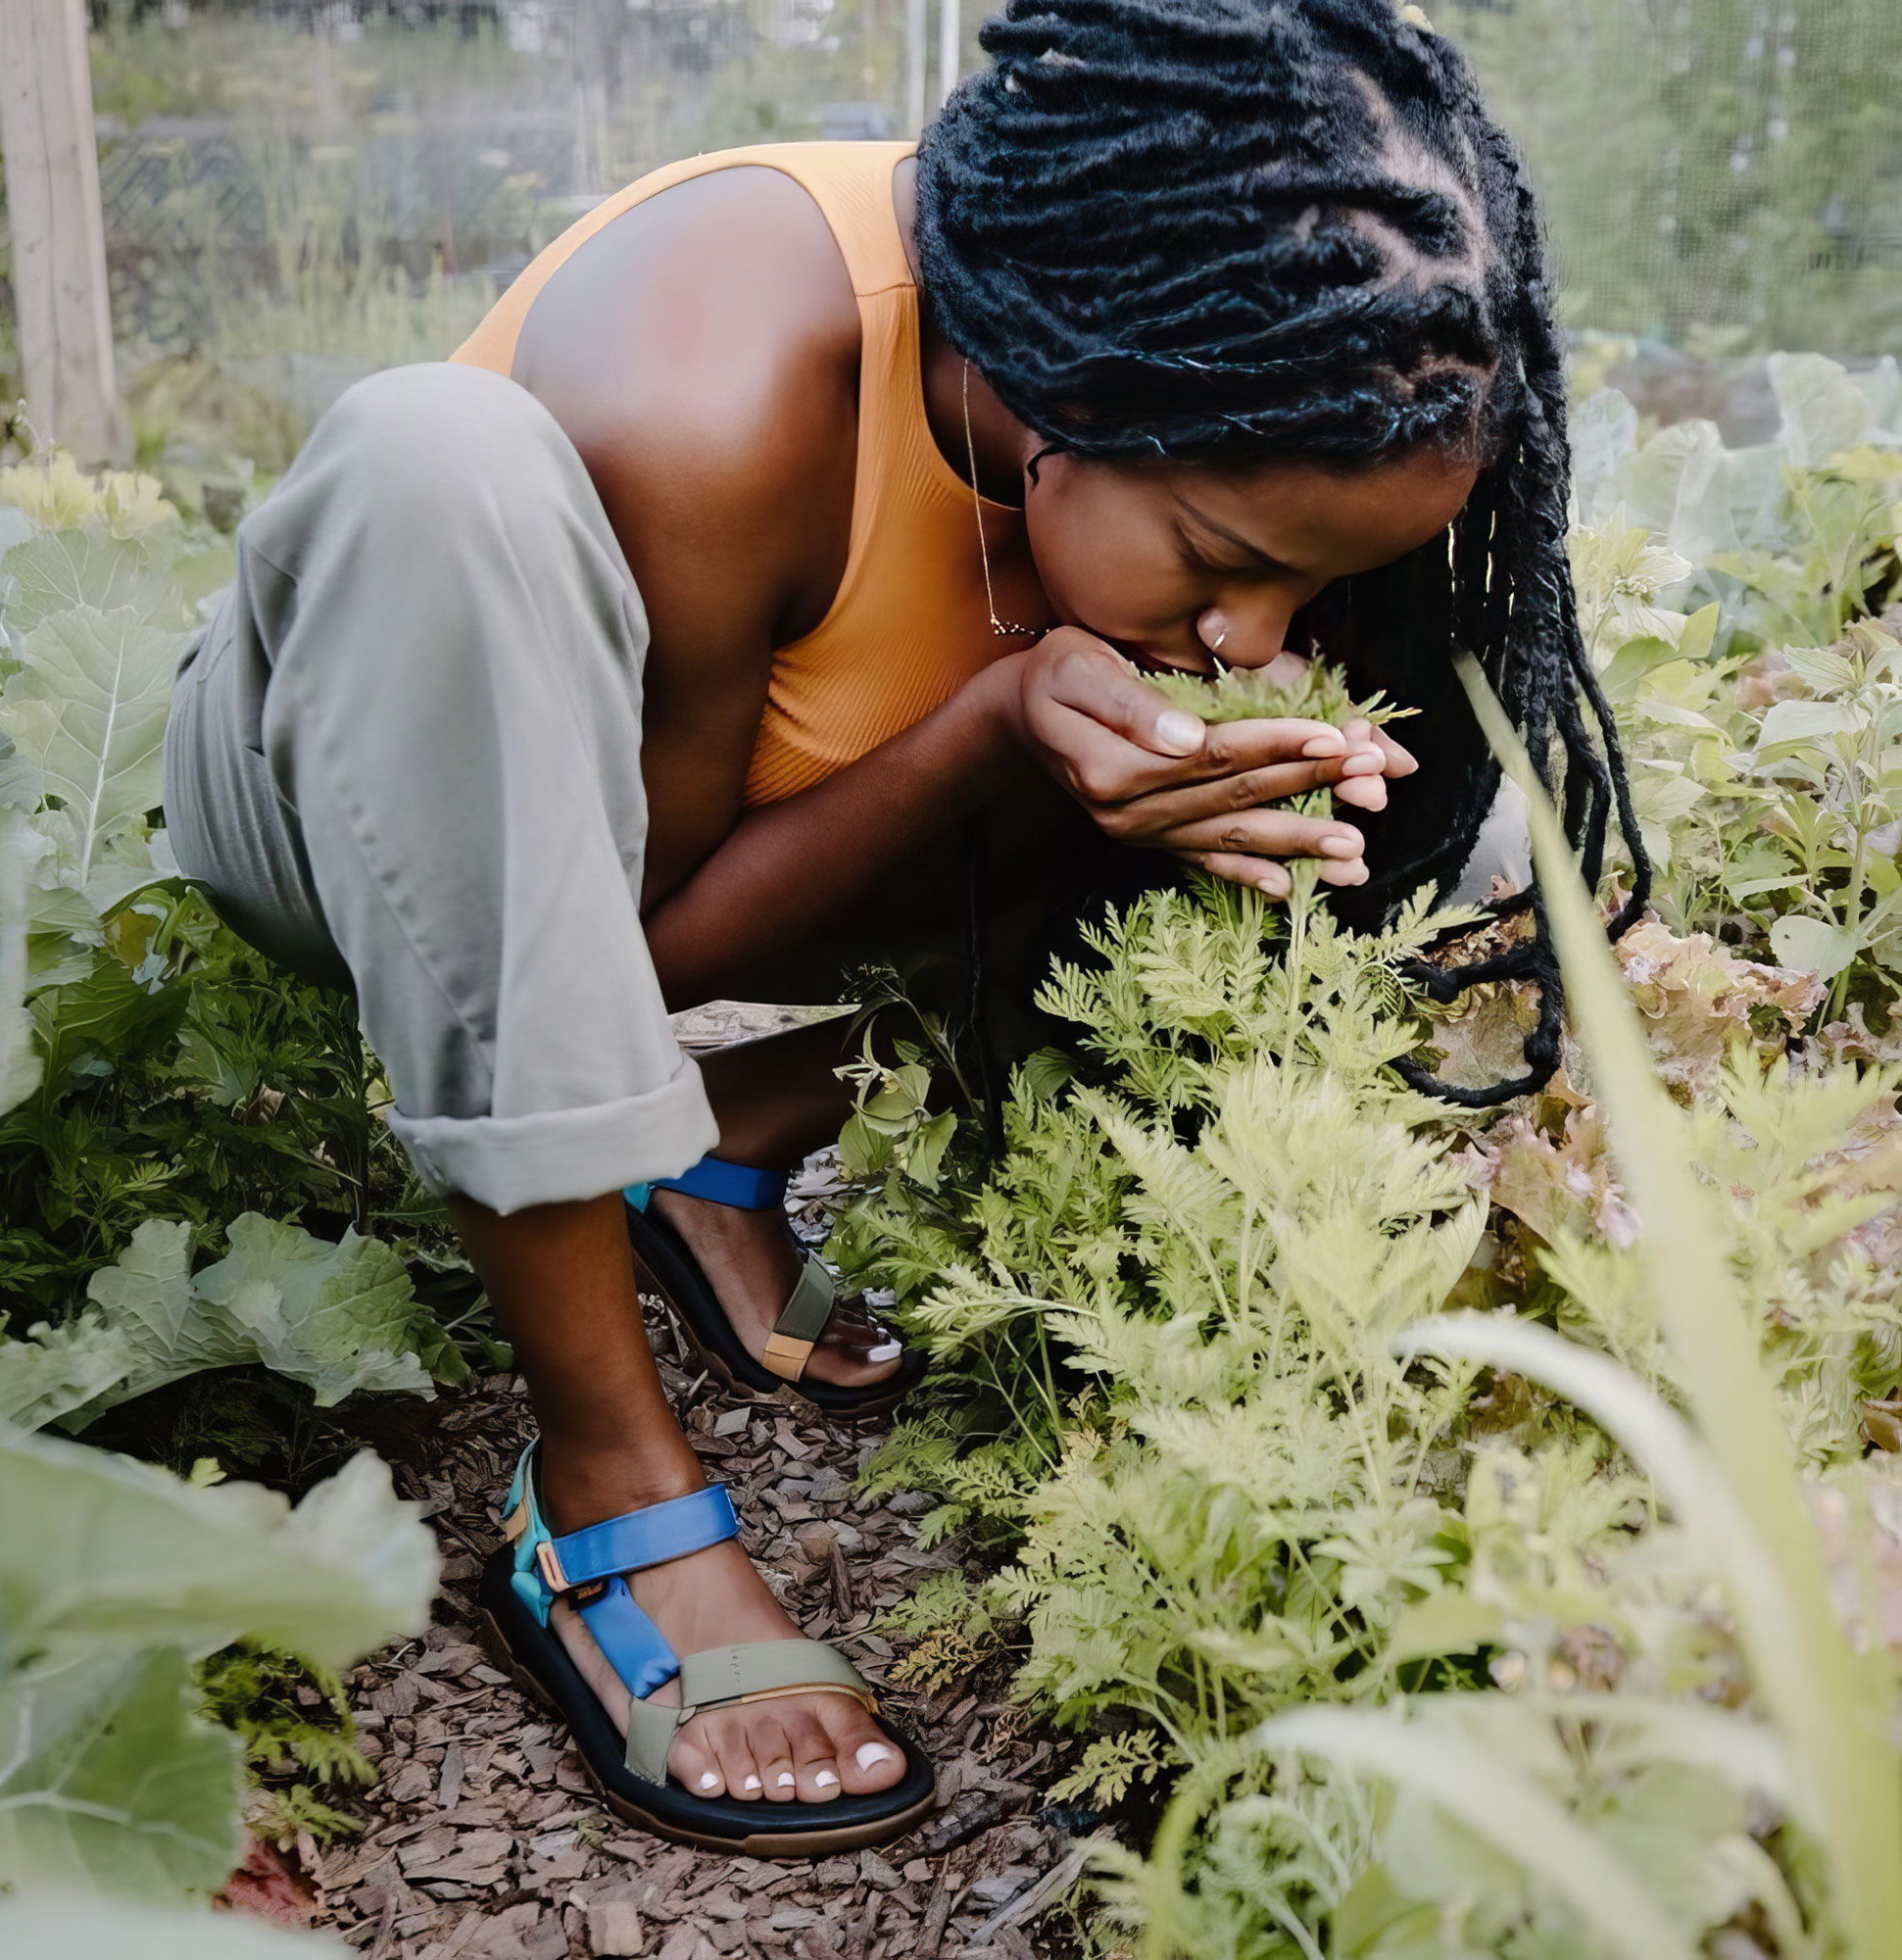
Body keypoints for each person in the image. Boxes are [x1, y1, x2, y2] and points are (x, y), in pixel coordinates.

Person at [163, 0, 1641, 1853]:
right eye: (1225, 564)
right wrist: (984, 737)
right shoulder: (719, 389)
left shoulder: (1267, 386)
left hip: (715, 876)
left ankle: (713, 1161)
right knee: (430, 460)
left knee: (1322, 784)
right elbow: (622, 959)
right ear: (1064, 403)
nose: (1259, 631)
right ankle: (605, 1485)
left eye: (1309, 579)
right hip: (363, 814)